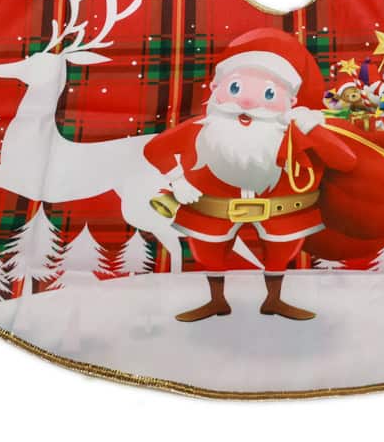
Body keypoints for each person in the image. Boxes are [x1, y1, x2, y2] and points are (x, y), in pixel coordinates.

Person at [144, 28, 356, 321]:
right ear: (215, 88)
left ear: (291, 102)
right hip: (211, 211)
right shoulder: (201, 129)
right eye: (235, 89)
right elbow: (155, 149)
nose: (246, 103)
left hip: (282, 212)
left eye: (268, 94)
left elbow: (345, 162)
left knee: (281, 252)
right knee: (208, 253)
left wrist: (312, 129)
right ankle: (217, 301)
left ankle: (274, 300)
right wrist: (177, 180)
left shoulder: (292, 130)